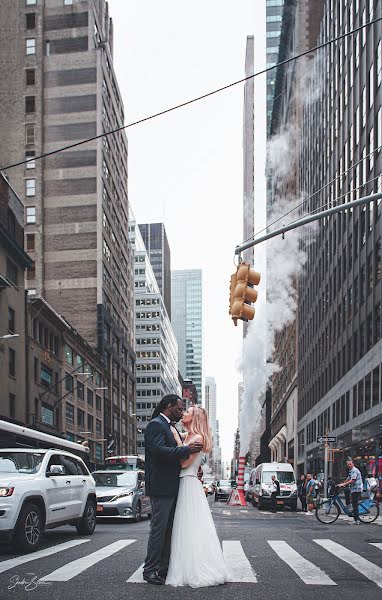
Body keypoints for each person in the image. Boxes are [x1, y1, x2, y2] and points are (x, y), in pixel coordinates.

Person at [166, 405, 230, 587]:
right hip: (188, 482)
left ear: (194, 418)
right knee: (187, 525)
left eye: (188, 411)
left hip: (188, 481)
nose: (184, 413)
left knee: (190, 525)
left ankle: (196, 568)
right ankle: (188, 564)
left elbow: (185, 464)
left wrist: (178, 444)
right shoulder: (190, 437)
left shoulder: (197, 438)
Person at [143, 395, 203, 585]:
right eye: (179, 408)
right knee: (159, 530)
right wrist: (187, 451)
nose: (181, 411)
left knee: (168, 530)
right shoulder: (156, 425)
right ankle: (150, 570)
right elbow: (159, 451)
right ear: (169, 407)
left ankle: (163, 568)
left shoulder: (170, 426)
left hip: (172, 486)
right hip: (161, 487)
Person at [337, 459, 364, 524]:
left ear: (353, 464)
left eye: (350, 464)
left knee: (355, 505)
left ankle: (356, 520)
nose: (349, 465)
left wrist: (344, 484)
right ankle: (349, 507)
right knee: (352, 500)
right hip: (353, 489)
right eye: (348, 464)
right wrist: (343, 483)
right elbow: (348, 478)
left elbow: (353, 480)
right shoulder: (351, 471)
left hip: (357, 489)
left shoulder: (354, 470)